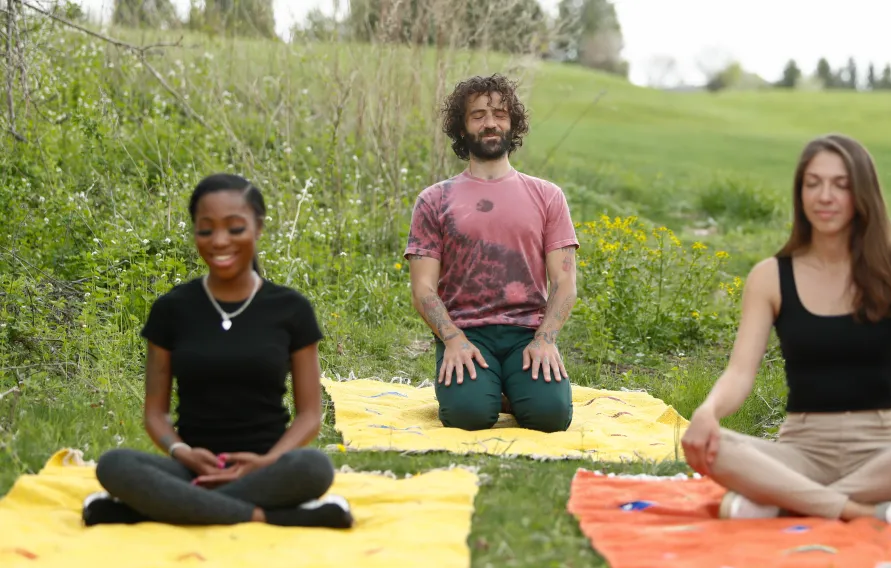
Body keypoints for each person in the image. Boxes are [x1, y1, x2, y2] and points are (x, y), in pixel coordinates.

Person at [681, 134, 891, 523]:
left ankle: (784, 503)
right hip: (800, 450)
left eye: (841, 185)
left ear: (863, 193)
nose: (824, 196)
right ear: (800, 194)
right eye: (812, 184)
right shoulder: (769, 277)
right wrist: (708, 411)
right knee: (715, 448)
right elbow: (739, 372)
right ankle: (870, 512)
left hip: (884, 448)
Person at [82, 174, 353, 529]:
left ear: (258, 228)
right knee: (114, 464)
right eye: (206, 230)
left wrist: (268, 461)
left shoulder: (291, 309)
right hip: (190, 468)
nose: (219, 241)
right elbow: (155, 414)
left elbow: (309, 416)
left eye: (235, 228)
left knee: (313, 468)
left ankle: (146, 509)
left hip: (268, 467)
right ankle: (270, 516)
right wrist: (182, 452)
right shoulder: (172, 309)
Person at [403, 73, 579, 433]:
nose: (490, 123)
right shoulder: (434, 200)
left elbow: (564, 281)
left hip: (527, 334)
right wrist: (452, 339)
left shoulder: (547, 196)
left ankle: (507, 385)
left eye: (499, 113)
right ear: (462, 127)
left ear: (512, 124)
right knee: (468, 416)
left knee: (551, 417)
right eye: (478, 115)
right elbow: (423, 288)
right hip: (467, 333)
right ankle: (487, 388)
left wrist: (546, 340)